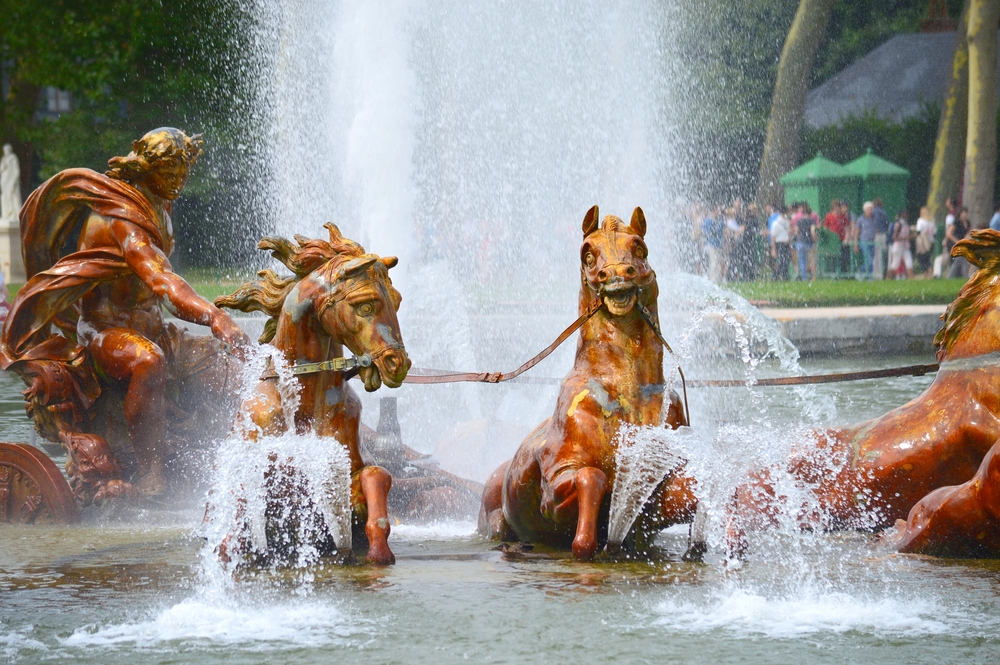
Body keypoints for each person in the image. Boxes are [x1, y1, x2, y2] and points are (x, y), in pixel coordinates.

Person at [0, 128, 250, 496]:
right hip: (104, 332)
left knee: (233, 365)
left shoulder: (158, 202)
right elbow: (162, 280)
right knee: (148, 361)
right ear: (146, 168)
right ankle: (151, 473)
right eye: (168, 174)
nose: (177, 183)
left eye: (182, 173)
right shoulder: (122, 216)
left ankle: (243, 452)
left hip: (154, 327)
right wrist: (214, 316)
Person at [794, 203, 817, 281]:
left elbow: (796, 232)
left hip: (800, 242)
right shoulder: (812, 221)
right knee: (812, 260)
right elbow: (812, 232)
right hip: (809, 242)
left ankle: (804, 277)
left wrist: (798, 239)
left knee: (802, 260)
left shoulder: (799, 221)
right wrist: (814, 239)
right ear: (810, 213)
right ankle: (813, 276)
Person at [887, 209, 913, 279]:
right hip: (898, 246)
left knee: (909, 263)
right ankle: (887, 278)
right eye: (905, 214)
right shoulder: (899, 224)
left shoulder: (906, 224)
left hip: (905, 246)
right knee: (895, 264)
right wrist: (906, 238)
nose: (906, 215)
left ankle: (912, 279)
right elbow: (894, 237)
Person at [946, 206, 971, 278]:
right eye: (964, 212)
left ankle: (951, 277)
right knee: (960, 259)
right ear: (960, 213)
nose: (965, 214)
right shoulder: (956, 222)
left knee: (960, 260)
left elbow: (968, 232)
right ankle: (965, 277)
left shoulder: (967, 222)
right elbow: (949, 233)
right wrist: (957, 241)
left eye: (966, 212)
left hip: (962, 245)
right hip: (954, 244)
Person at [856, 202, 878, 279]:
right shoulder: (860, 219)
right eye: (868, 209)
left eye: (871, 209)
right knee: (869, 260)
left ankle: (870, 278)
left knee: (871, 260)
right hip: (864, 241)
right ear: (864, 210)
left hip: (872, 241)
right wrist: (856, 244)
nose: (870, 210)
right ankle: (860, 272)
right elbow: (857, 232)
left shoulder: (874, 219)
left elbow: (875, 229)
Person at [702, 207, 725, 282]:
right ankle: (712, 279)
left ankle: (717, 279)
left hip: (719, 245)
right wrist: (703, 243)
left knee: (718, 262)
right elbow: (703, 232)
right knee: (713, 262)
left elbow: (723, 232)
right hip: (711, 245)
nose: (718, 213)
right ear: (712, 211)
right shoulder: (707, 221)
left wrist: (724, 243)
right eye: (716, 211)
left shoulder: (720, 221)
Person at [770, 205, 792, 280]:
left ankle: (782, 275)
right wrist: (773, 248)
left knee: (787, 259)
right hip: (780, 243)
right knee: (783, 260)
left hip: (786, 243)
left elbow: (788, 232)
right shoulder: (776, 223)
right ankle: (778, 275)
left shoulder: (786, 222)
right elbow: (773, 236)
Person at [914, 205, 936, 277]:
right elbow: (935, 232)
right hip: (931, 242)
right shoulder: (932, 221)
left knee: (922, 259)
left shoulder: (920, 220)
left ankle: (926, 273)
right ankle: (930, 272)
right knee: (928, 258)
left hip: (923, 243)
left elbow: (918, 231)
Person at [872, 198, 890, 280]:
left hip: (877, 235)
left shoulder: (874, 211)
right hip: (883, 235)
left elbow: (874, 223)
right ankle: (883, 273)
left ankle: (877, 274)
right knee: (884, 255)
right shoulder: (884, 212)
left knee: (877, 255)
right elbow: (887, 224)